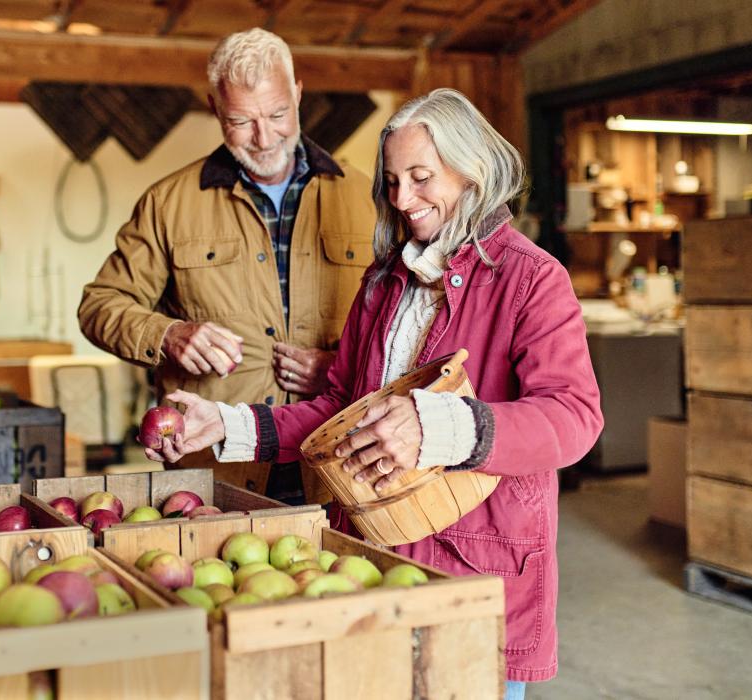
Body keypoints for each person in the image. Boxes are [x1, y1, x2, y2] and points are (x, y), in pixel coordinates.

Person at [143, 88, 604, 699]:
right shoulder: (385, 280)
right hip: (369, 553)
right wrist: (226, 425)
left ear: (473, 171)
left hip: (474, 561)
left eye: (421, 177)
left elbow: (573, 417)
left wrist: (438, 425)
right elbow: (339, 409)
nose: (401, 199)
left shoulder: (532, 279)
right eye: (391, 181)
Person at [79, 28, 375, 503]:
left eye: (278, 114)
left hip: (340, 462)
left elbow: (413, 325)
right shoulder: (168, 203)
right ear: (214, 107)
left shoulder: (369, 197)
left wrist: (346, 371)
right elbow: (99, 306)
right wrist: (167, 335)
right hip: (215, 470)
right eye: (241, 120)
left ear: (298, 95)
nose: (263, 138)